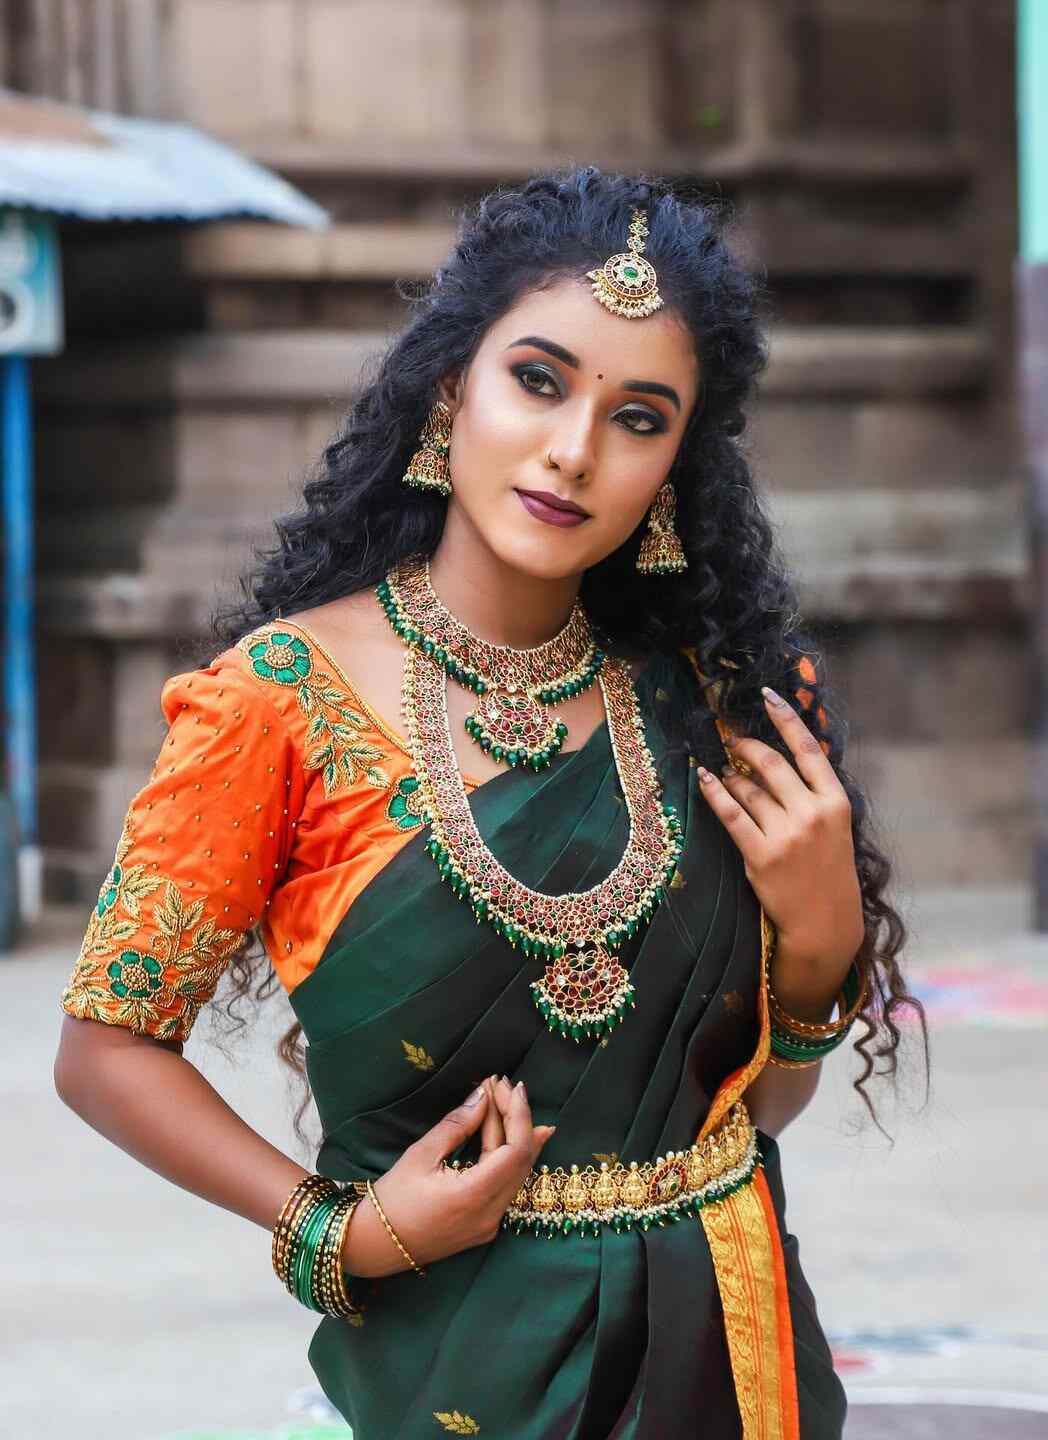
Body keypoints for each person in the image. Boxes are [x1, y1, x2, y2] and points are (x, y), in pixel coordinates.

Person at [54, 168, 927, 1438]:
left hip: (732, 1349)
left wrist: (823, 956)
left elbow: (755, 1106)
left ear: (678, 464)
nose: (575, 449)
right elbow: (107, 1046)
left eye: (640, 417)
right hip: (456, 1359)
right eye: (539, 379)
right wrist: (335, 1230)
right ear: (452, 383)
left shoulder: (727, 700)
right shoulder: (280, 704)